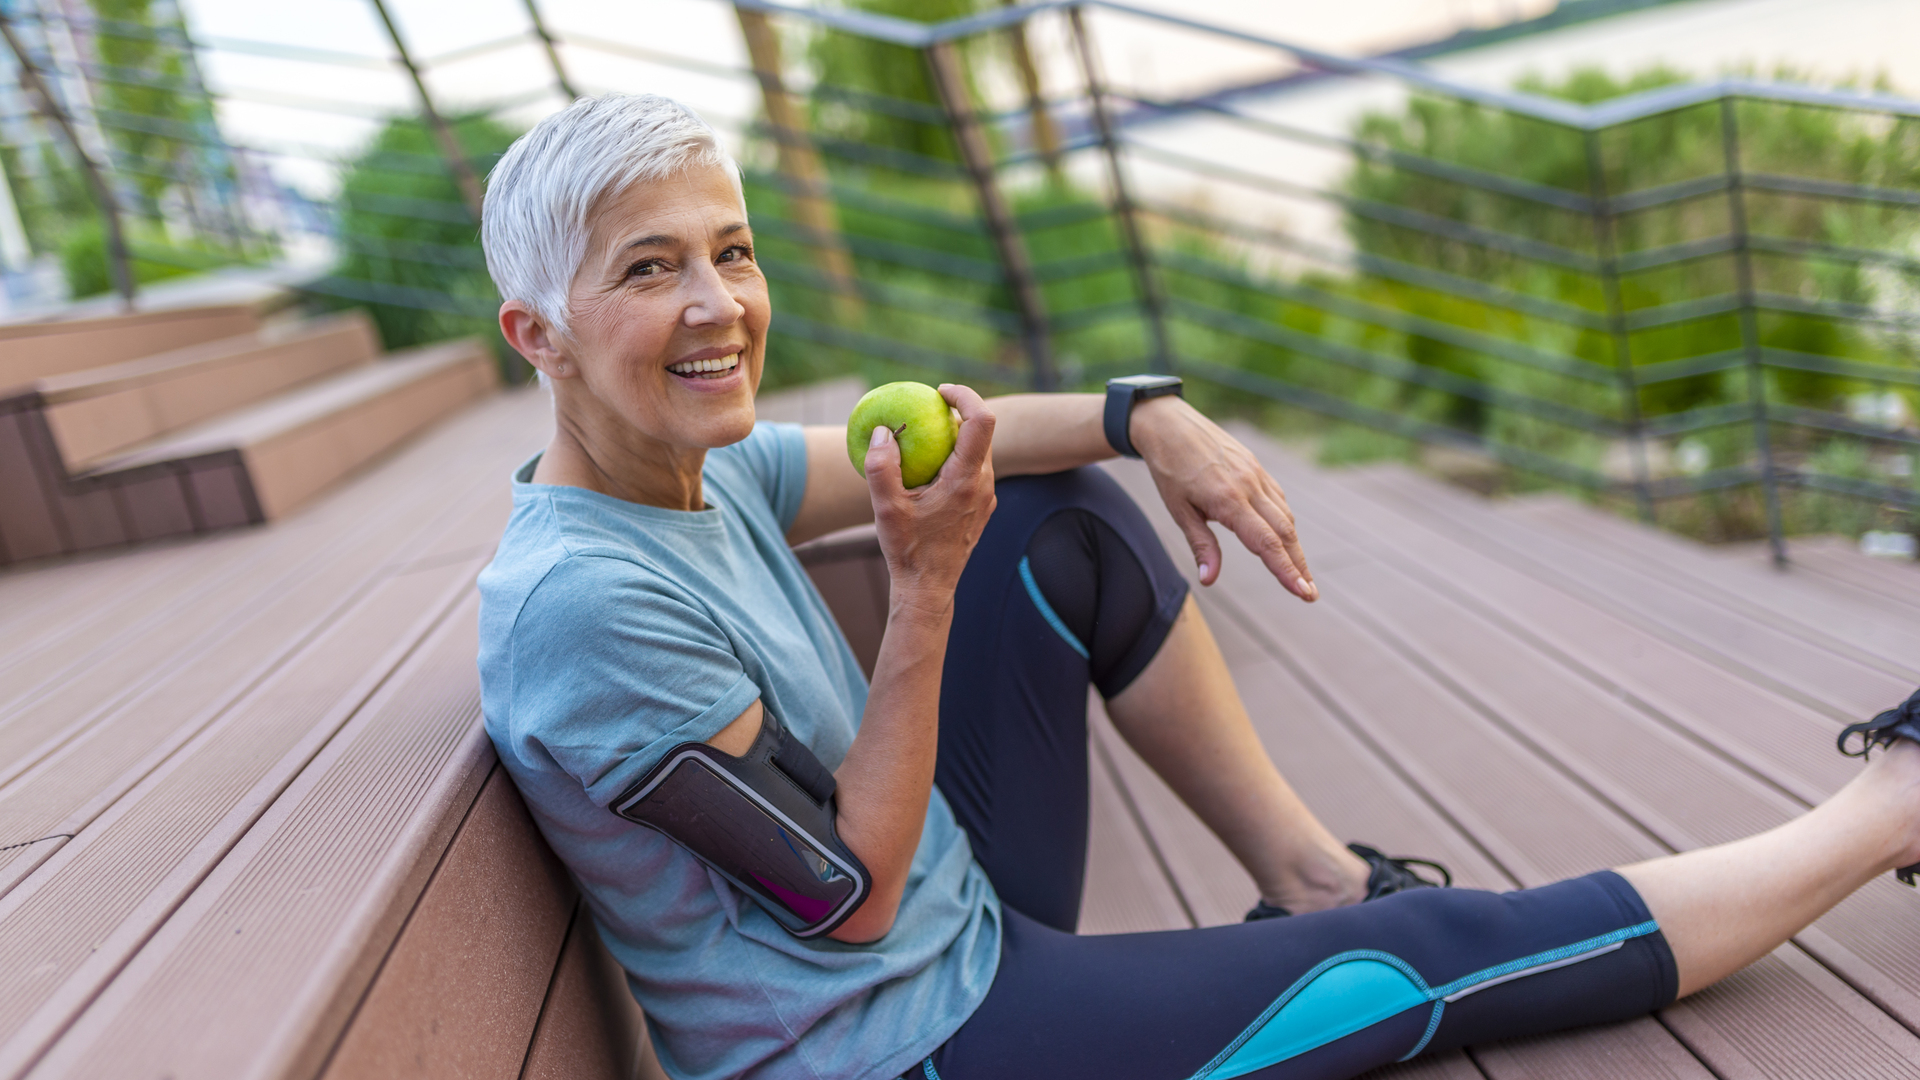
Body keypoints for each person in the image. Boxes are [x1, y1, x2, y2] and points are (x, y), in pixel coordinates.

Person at [474, 93, 1920, 1080]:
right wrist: (919, 596)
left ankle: (1307, 878)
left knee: (1055, 512)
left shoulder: (690, 460)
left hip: (951, 913)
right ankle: (1893, 809)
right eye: (651, 270)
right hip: (911, 1038)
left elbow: (1000, 439)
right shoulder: (589, 615)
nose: (719, 306)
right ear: (535, 332)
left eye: (731, 250)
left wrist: (1145, 414)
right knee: (1416, 962)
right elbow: (847, 904)